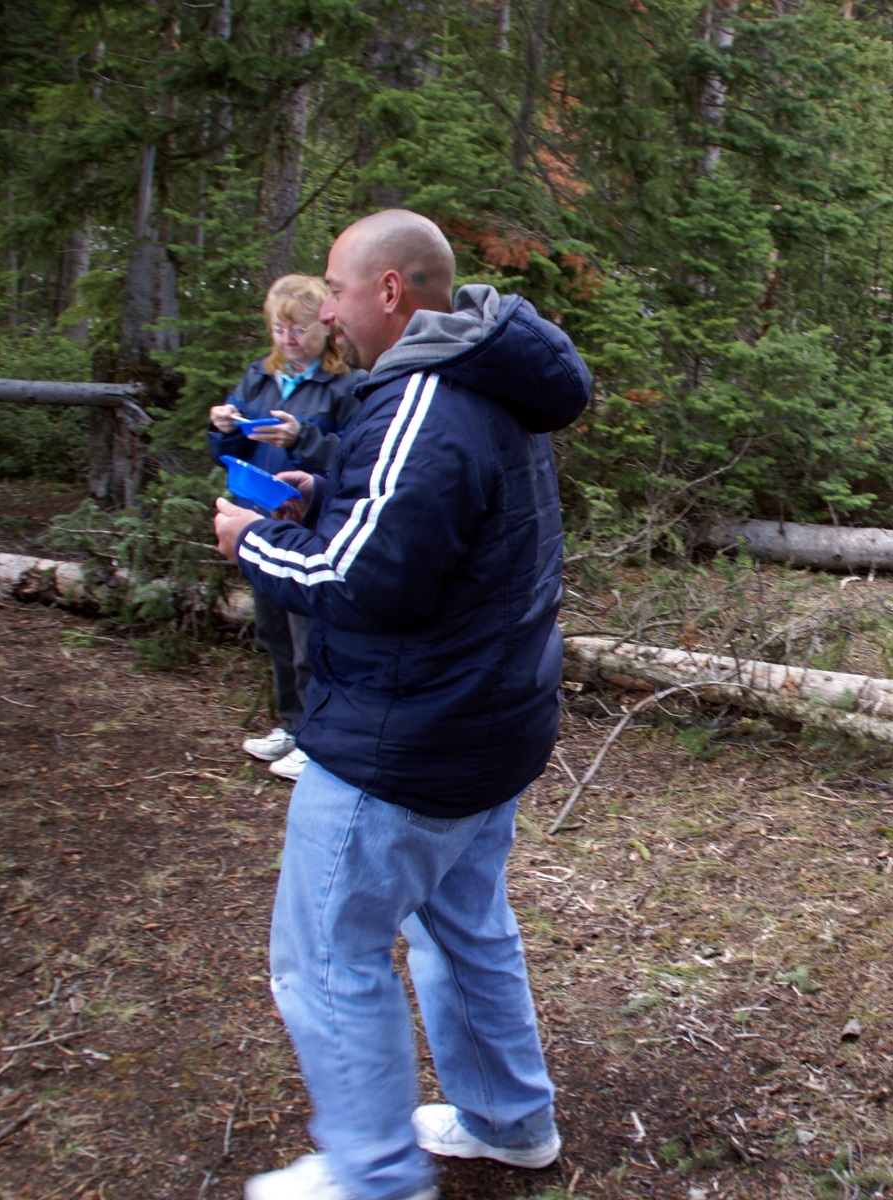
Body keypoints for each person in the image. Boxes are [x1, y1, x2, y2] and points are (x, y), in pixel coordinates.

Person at [212, 209, 591, 1200]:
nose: (328, 313)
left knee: (324, 957)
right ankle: (508, 1121)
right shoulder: (477, 378)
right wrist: (323, 492)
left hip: (406, 741)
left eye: (337, 291)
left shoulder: (424, 399)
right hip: (486, 724)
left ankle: (373, 1177)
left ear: (387, 291)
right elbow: (425, 531)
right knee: (464, 930)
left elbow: (363, 579)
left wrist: (252, 541)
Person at [209, 274, 366, 782]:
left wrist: (303, 438)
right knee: (273, 629)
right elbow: (225, 450)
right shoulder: (259, 376)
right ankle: (292, 727)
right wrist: (223, 428)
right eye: (279, 329)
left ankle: (317, 740)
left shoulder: (347, 384)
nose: (288, 339)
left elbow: (356, 458)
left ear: (324, 327)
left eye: (298, 328)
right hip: (258, 518)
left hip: (310, 524)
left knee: (307, 636)